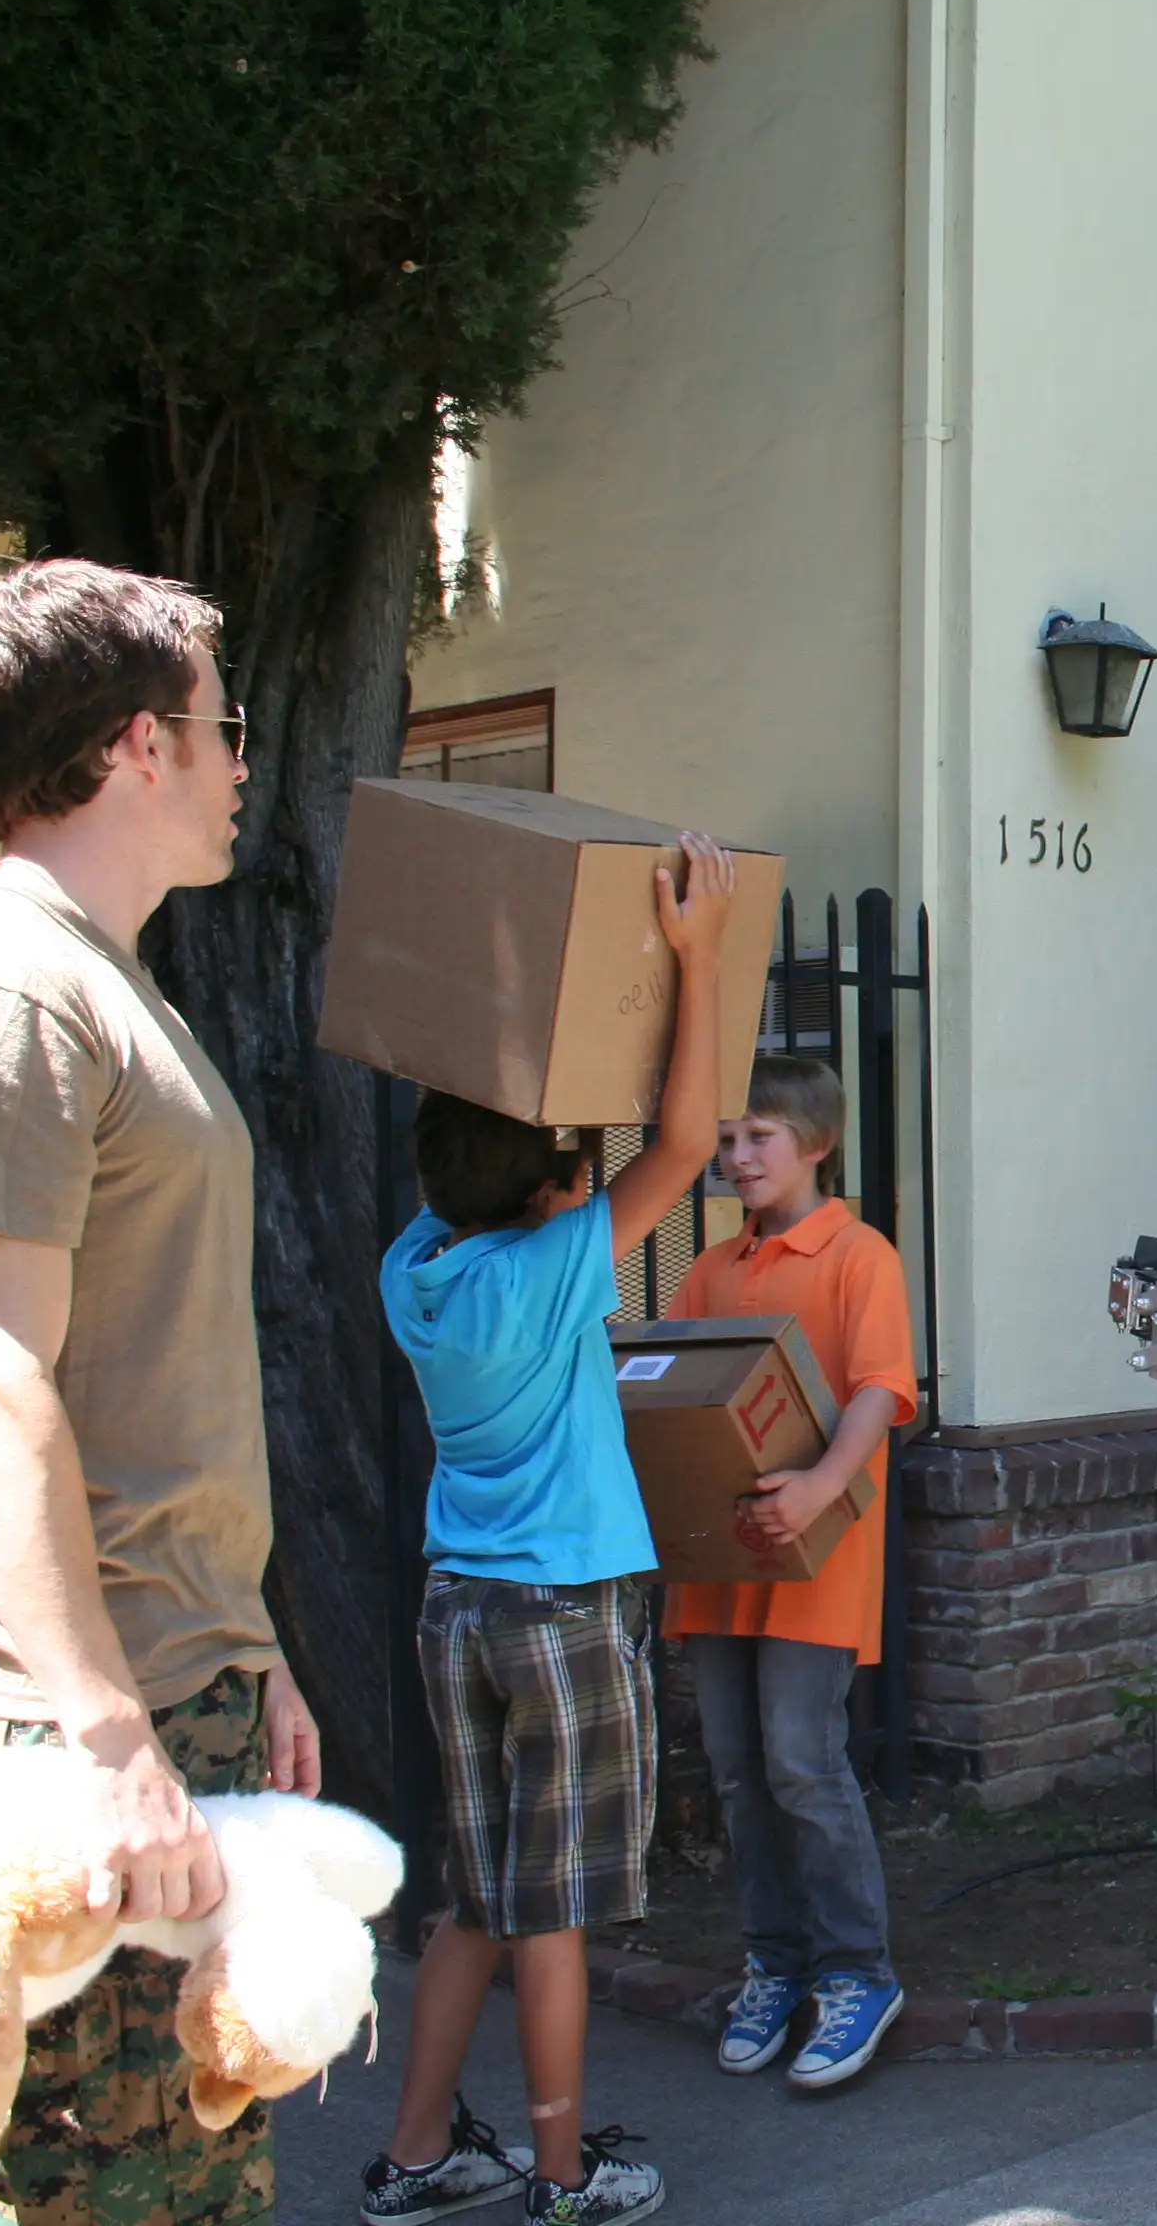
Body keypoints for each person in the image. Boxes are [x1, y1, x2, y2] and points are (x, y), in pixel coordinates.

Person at [0, 558, 322, 2226]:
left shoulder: (99, 975)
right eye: (224, 725)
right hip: (70, 1741)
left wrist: (245, 1647)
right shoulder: (4, 989)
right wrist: (113, 1735)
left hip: (167, 1690)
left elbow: (142, 1369)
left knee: (191, 2183)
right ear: (140, 745)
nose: (241, 759)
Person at [364, 833, 732, 2226]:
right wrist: (692, 960)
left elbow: (473, 1153)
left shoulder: (421, 1265)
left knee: (473, 1895)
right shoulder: (552, 1264)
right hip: (567, 1608)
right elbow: (688, 1144)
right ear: (549, 1193)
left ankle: (414, 2157)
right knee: (554, 1910)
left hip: (456, 1602)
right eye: (570, 1163)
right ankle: (566, 2175)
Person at [664, 1053, 922, 2092]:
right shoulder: (711, 1269)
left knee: (800, 1763)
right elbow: (671, 1387)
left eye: (758, 1137)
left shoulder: (859, 1256)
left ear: (816, 1144)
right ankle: (772, 1964)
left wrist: (816, 1487)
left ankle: (857, 1972)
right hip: (718, 1559)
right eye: (727, 1139)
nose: (736, 1155)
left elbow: (878, 1390)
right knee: (735, 1767)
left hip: (815, 1557)